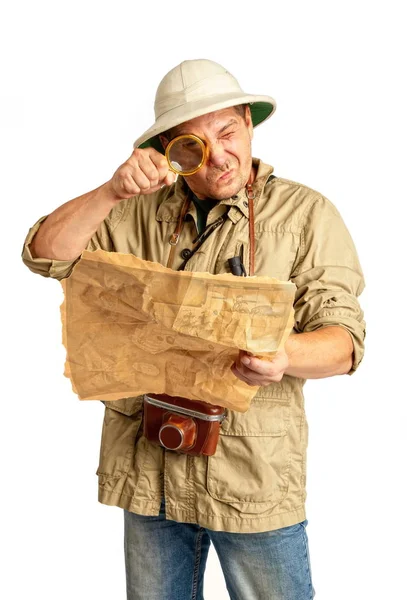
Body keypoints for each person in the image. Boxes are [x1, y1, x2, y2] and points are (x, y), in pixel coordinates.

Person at [22, 59, 365, 600]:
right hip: (151, 470)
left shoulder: (307, 214)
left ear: (249, 125)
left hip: (251, 477)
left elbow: (344, 344)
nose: (219, 156)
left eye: (228, 132)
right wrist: (111, 192)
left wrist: (283, 354)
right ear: (169, 152)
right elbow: (45, 256)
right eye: (193, 146)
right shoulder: (135, 209)